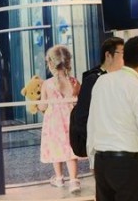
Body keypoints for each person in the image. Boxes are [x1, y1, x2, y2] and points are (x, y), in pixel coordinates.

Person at [87, 36, 138, 201]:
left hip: (101, 162)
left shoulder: (102, 81)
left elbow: (91, 124)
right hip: (126, 164)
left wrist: (92, 160)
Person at [69, 37, 124, 157]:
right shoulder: (93, 80)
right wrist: (97, 143)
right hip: (102, 148)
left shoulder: (117, 78)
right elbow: (82, 116)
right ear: (108, 55)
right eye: (122, 53)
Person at [39, 45, 82, 193]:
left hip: (54, 123)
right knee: (70, 149)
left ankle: (59, 178)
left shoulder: (47, 84)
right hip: (71, 120)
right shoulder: (74, 82)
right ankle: (74, 181)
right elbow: (79, 102)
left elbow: (43, 106)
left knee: (55, 148)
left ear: (50, 63)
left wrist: (38, 105)